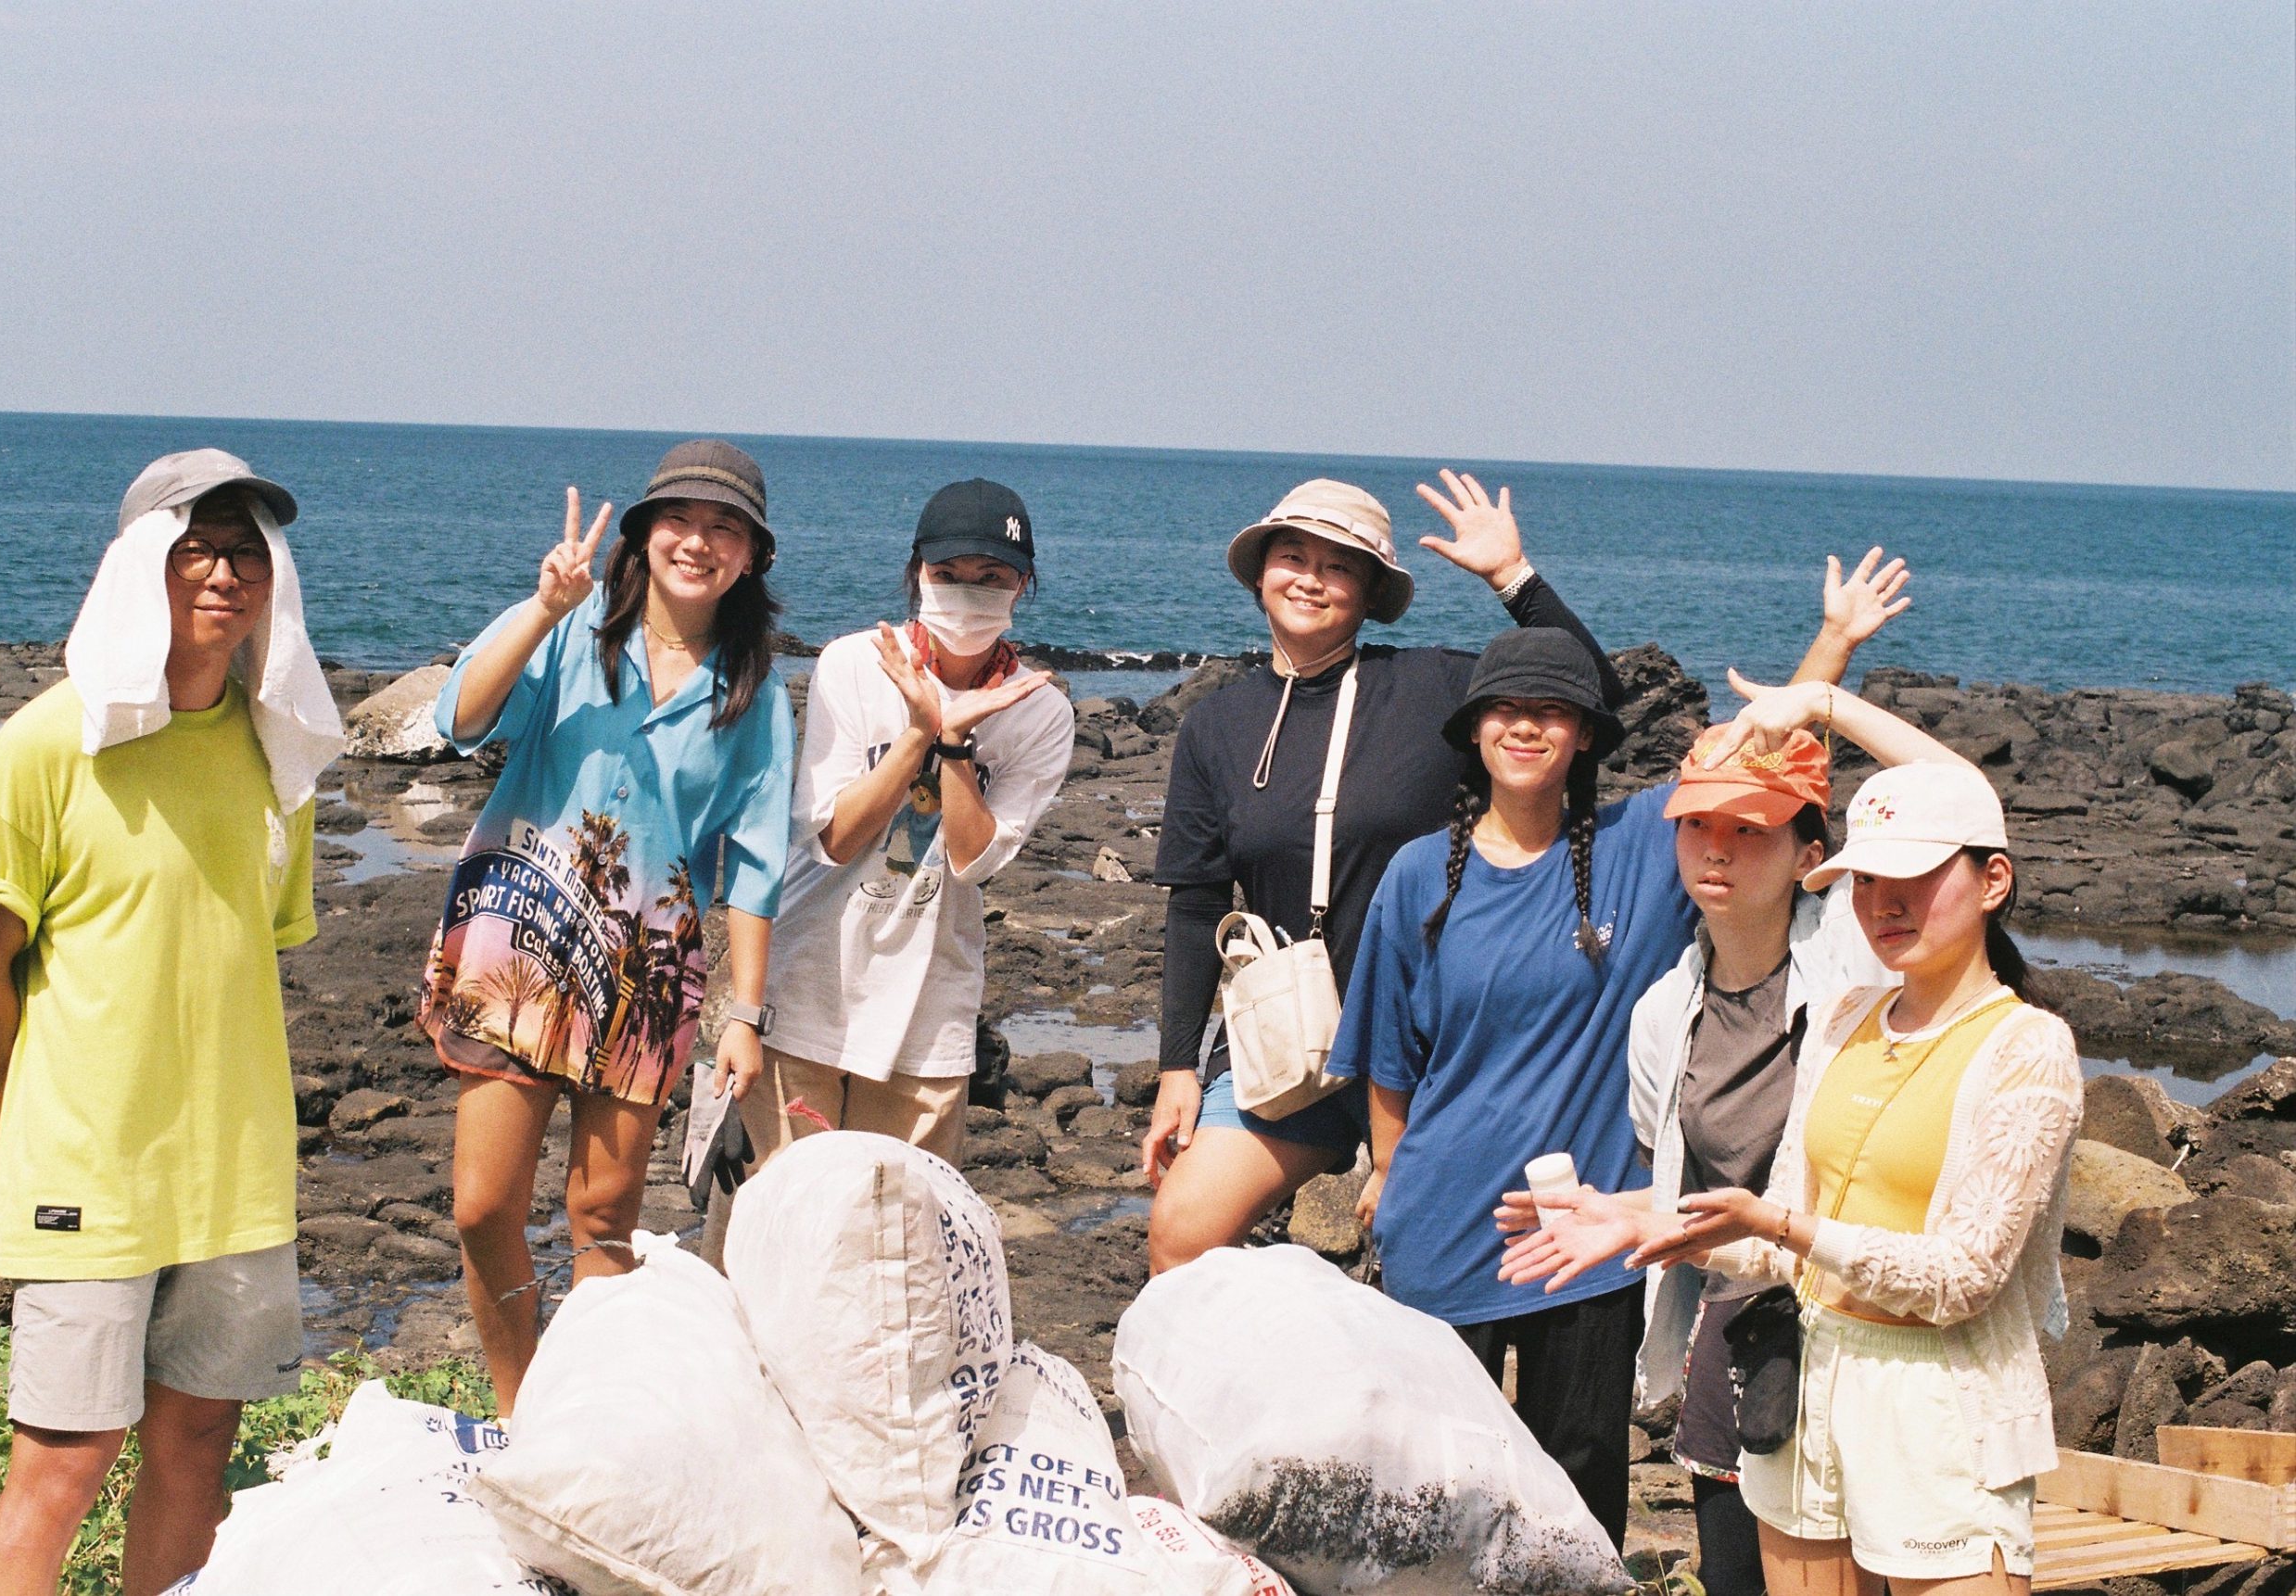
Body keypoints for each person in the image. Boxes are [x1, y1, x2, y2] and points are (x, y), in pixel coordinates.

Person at [1326, 556, 1909, 1550]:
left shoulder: (1646, 846)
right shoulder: (1421, 875)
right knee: (1429, 1479)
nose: (1524, 724)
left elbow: (1748, 759)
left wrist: (1833, 649)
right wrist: (1385, 1163)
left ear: (1585, 736)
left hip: (1594, 1231)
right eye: (1501, 707)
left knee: (1582, 1475)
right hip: (1441, 1217)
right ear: (1471, 731)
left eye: (1551, 710)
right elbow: (1388, 1050)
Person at [1501, 683, 2083, 1596]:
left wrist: (1824, 697)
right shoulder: (1843, 1021)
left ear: (1993, 880)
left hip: (1943, 1410)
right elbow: (1780, 1225)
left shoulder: (2019, 1044)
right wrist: (1639, 1222)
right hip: (1803, 1390)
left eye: (1919, 878)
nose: (1888, 903)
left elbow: (1960, 1277)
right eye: (1870, 882)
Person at [0, 450, 341, 1596]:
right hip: (89, 1173)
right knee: (62, 1467)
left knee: (198, 1448)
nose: (226, 571)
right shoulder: (48, 743)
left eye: (248, 549)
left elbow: (241, 950)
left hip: (234, 1172)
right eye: (196, 546)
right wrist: (13, 1119)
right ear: (138, 568)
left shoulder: (278, 756)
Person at [1144, 472, 1622, 1273]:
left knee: (1430, 1258)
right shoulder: (1216, 726)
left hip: (1435, 1041)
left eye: (1340, 567)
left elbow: (1591, 692)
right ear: (1261, 573)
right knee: (1181, 1234)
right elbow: (1196, 907)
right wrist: (1177, 1068)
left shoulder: (1430, 688)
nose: (1311, 579)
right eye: (1292, 556)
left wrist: (1512, 577)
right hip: (1291, 1041)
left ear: (1369, 594)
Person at [420, 439, 794, 1412]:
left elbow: (752, 863)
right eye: (680, 520)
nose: (698, 542)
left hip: (647, 972)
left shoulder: (754, 687)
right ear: (643, 534)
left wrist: (744, 1014)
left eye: (725, 528)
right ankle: (520, 1406)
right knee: (482, 1205)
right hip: (519, 938)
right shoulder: (577, 625)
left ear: (750, 556)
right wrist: (544, 604)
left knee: (602, 1217)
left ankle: (584, 1423)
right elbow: (460, 716)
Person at [1629, 685, 1975, 1596]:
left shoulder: (1863, 966)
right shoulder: (1666, 1014)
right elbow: (1667, 1176)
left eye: (1750, 829)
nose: (1716, 846)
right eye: (1697, 823)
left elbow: (1961, 800)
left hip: (1877, 1343)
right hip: (1738, 1343)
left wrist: (1825, 698)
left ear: (1810, 856)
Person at [750, 479, 1073, 1164]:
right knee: (774, 1227)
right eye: (947, 574)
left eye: (992, 577)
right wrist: (918, 732)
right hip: (807, 989)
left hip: (929, 1013)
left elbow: (973, 860)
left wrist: (955, 746)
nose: (968, 592)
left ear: (1024, 585)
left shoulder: (1041, 712)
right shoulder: (853, 664)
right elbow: (834, 840)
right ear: (916, 573)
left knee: (899, 1234)